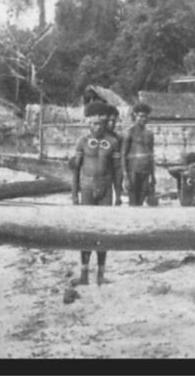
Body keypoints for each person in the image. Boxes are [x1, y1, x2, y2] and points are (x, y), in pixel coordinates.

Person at [70, 102, 124, 285]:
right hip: (86, 189)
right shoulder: (82, 142)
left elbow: (117, 171)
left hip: (105, 190)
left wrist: (118, 195)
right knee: (86, 231)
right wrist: (74, 195)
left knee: (103, 231)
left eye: (100, 123)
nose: (97, 127)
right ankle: (84, 273)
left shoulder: (113, 143)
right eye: (93, 123)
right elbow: (76, 171)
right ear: (89, 125)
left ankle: (101, 274)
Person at [123, 103, 157, 206]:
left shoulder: (149, 134)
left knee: (141, 201)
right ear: (135, 116)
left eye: (146, 116)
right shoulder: (129, 132)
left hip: (145, 170)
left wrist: (153, 175)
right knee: (133, 201)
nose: (144, 119)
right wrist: (125, 175)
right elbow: (123, 154)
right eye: (141, 116)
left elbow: (151, 154)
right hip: (133, 170)